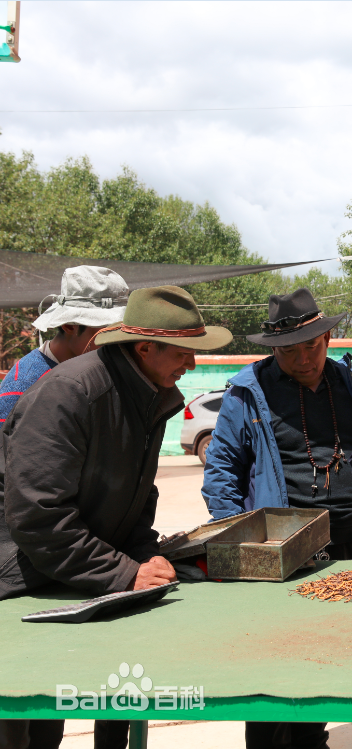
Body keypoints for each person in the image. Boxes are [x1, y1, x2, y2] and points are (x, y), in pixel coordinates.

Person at [0, 286, 230, 749]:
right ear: (145, 348)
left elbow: (137, 496)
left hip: (69, 582)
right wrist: (124, 572)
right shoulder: (70, 392)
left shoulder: (150, 393)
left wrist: (145, 553)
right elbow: (37, 514)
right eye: (185, 352)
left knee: (50, 725)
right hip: (19, 587)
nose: (193, 364)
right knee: (16, 727)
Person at [201, 288, 352, 749]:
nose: (303, 358)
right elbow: (221, 475)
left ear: (327, 337)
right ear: (273, 349)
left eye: (311, 346)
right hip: (280, 551)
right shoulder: (247, 393)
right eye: (289, 351)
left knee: (325, 660)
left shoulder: (350, 385)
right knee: (273, 665)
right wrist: (241, 544)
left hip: (350, 545)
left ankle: (313, 739)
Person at [0, 266, 129, 423]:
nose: (115, 343)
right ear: (69, 325)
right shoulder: (25, 385)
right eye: (106, 333)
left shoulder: (103, 368)